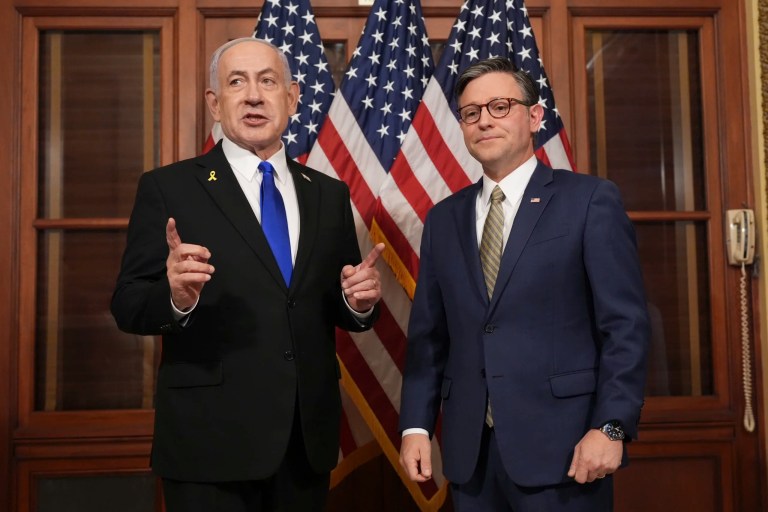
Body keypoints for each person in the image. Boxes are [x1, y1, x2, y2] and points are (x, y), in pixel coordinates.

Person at [111, 37, 384, 512]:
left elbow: (328, 301)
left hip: (304, 441)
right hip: (210, 443)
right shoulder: (169, 187)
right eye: (237, 82)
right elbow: (129, 304)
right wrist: (176, 296)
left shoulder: (327, 194)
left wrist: (358, 304)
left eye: (268, 82)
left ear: (293, 99)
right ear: (215, 104)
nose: (254, 96)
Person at [398, 57, 650, 511]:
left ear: (534, 116)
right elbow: (429, 338)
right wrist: (415, 426)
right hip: (470, 458)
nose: (484, 120)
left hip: (568, 452)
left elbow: (625, 327)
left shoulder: (589, 200)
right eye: (471, 112)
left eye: (499, 106)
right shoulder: (443, 219)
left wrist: (611, 426)